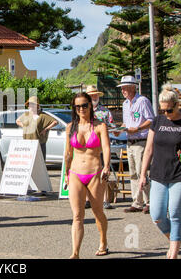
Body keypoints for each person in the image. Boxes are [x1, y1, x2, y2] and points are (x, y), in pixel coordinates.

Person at [139, 84, 181, 259]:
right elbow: (149, 150)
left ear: (177, 105)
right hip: (159, 174)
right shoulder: (158, 121)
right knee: (157, 216)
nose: (166, 114)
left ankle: (174, 252)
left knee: (174, 213)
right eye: (163, 110)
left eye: (169, 110)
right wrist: (142, 174)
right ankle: (174, 239)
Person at [64, 92, 111, 259]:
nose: (81, 109)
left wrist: (106, 166)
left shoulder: (100, 126)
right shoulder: (70, 127)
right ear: (74, 108)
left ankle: (103, 241)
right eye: (78, 106)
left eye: (84, 105)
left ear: (90, 105)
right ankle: (75, 253)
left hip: (95, 173)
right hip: (76, 173)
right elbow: (68, 153)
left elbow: (106, 148)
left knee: (98, 211)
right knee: (77, 215)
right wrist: (66, 174)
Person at [115, 75, 154, 214]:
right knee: (132, 172)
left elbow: (151, 120)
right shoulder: (125, 104)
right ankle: (137, 201)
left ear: (133, 87)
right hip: (130, 141)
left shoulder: (142, 101)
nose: (123, 91)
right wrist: (119, 129)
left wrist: (137, 128)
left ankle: (149, 202)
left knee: (142, 172)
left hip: (141, 141)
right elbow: (126, 122)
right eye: (122, 88)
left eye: (125, 88)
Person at [86, 85, 116, 210]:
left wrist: (115, 130)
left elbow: (112, 126)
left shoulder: (105, 111)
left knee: (104, 171)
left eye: (95, 94)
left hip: (102, 145)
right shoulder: (83, 111)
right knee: (87, 172)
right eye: (91, 95)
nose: (94, 96)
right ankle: (88, 199)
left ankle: (105, 200)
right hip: (88, 146)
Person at [16, 96, 58, 163]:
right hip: (28, 142)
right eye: (29, 105)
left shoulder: (42, 115)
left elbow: (55, 122)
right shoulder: (27, 114)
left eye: (32, 104)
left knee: (40, 162)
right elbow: (17, 121)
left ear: (36, 106)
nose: (30, 106)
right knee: (29, 162)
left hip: (39, 143)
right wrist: (24, 126)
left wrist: (46, 129)